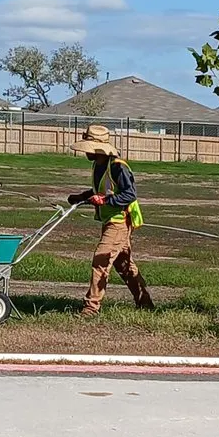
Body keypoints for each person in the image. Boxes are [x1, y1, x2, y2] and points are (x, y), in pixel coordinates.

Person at [67, 125, 154, 317]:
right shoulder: (97, 165)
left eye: (89, 148)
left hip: (120, 220)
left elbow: (129, 194)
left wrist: (106, 200)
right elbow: (101, 190)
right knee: (123, 265)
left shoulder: (118, 167)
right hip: (109, 220)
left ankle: (91, 308)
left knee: (101, 259)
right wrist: (81, 197)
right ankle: (145, 303)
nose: (86, 152)